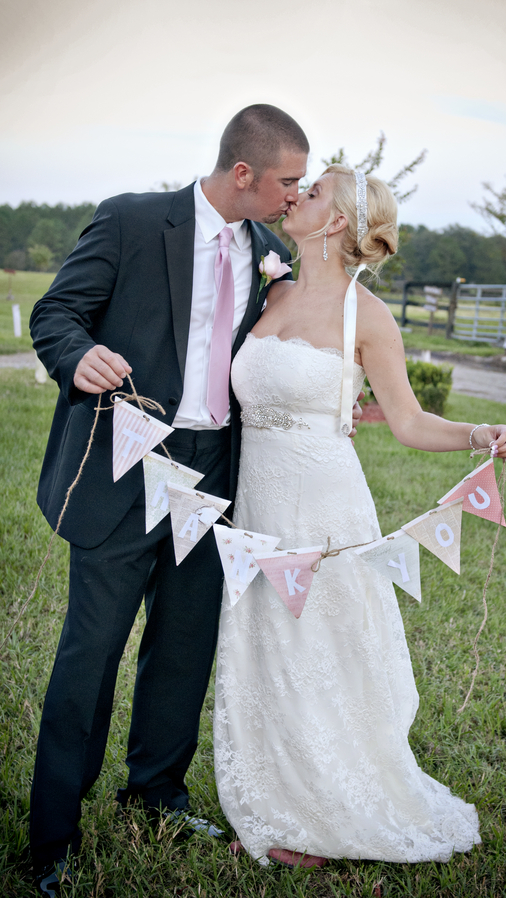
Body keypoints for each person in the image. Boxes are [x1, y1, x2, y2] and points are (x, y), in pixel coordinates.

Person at [28, 104, 314, 894]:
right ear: (245, 173)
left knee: (184, 648)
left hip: (215, 473)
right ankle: (52, 834)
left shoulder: (268, 253)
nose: (296, 197)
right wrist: (77, 354)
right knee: (92, 654)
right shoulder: (131, 219)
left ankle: (157, 791)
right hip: (130, 464)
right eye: (288, 181)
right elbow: (55, 313)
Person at [213, 164, 506, 867]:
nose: (295, 196)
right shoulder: (273, 287)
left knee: (322, 655)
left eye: (312, 191)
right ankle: (276, 803)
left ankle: (327, 812)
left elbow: (408, 421)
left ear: (339, 221)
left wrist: (478, 433)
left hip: (325, 509)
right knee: (269, 652)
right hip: (259, 503)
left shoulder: (368, 315)